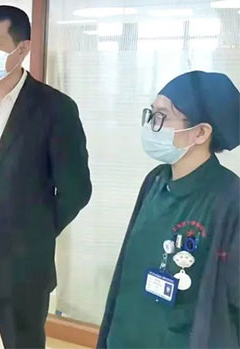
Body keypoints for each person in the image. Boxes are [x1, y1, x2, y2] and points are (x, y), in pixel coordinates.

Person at [0, 5, 92, 348]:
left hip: (24, 263)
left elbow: (76, 189)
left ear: (22, 49)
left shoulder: (56, 108)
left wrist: (35, 229)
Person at [98, 71, 240, 348]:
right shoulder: (155, 181)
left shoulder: (230, 199)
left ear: (201, 132)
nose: (153, 125)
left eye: (163, 116)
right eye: (152, 114)